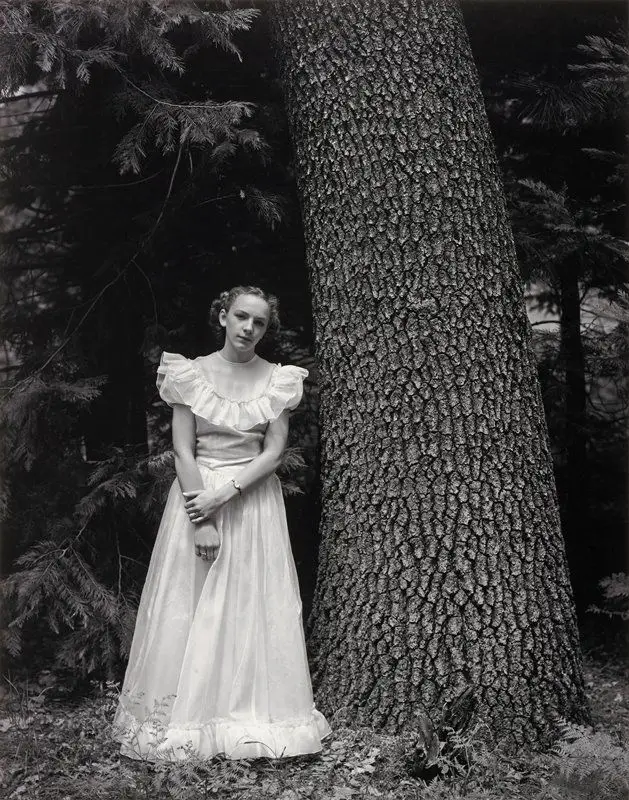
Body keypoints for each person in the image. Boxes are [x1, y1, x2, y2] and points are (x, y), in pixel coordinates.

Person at [113, 286, 330, 760]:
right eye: (241, 317)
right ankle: (185, 722)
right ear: (223, 317)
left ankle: (245, 719)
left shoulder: (279, 380)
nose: (249, 328)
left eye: (259, 323)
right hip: (195, 498)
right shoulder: (189, 374)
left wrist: (224, 496)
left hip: (251, 502)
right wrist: (202, 516)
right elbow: (183, 450)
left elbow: (272, 452)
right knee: (188, 605)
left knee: (250, 605)